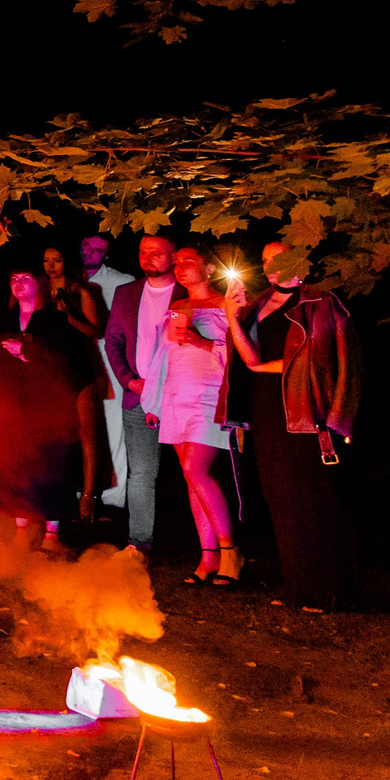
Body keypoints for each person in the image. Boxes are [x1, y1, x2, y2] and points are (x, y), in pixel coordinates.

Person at [223, 239, 360, 610]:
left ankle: (329, 590)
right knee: (281, 496)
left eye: (279, 258)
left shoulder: (320, 302)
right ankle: (299, 588)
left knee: (313, 498)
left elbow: (319, 360)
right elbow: (248, 358)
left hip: (304, 407)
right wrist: (232, 316)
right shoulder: (258, 304)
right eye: (265, 259)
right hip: (267, 408)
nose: (270, 266)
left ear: (300, 259)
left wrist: (260, 367)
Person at [150, 245, 239, 584]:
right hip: (177, 395)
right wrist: (154, 401)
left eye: (188, 261)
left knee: (195, 468)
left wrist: (201, 342)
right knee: (191, 478)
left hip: (210, 395)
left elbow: (240, 353)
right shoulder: (176, 307)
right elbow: (164, 357)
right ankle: (208, 555)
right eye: (176, 262)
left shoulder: (226, 304)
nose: (180, 266)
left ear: (210, 269)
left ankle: (231, 551)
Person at [0, 267, 92, 549]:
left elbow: (65, 361)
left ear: (40, 284)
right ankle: (21, 527)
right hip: (13, 402)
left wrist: (26, 352)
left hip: (48, 405)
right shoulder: (4, 320)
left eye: (25, 278)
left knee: (51, 463)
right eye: (13, 279)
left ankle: (51, 534)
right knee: (15, 461)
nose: (18, 283)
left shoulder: (55, 320)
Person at [101, 235, 176, 553]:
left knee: (196, 471)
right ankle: (138, 543)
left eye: (156, 252)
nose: (148, 257)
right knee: (141, 472)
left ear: (173, 257)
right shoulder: (127, 292)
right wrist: (129, 381)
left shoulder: (187, 293)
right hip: (139, 395)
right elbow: (113, 340)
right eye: (143, 251)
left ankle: (213, 545)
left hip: (180, 395)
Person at [39, 245, 109, 519]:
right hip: (49, 371)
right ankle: (57, 494)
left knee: (86, 433)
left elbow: (96, 330)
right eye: (46, 260)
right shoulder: (39, 290)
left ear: (66, 262)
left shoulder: (81, 292)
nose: (51, 266)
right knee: (53, 434)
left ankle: (89, 497)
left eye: (57, 260)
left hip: (79, 367)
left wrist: (69, 316)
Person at [83, 235, 133, 509]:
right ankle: (82, 489)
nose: (89, 252)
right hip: (77, 359)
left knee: (114, 426)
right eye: (86, 246)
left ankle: (116, 494)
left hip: (108, 360)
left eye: (97, 249)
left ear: (107, 253)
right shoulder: (64, 280)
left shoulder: (121, 281)